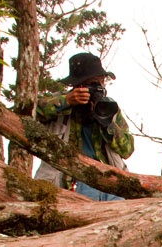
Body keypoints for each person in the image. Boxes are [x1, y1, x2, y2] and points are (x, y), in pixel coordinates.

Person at [34, 52, 134, 202]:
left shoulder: (109, 108)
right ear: (78, 86)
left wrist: (107, 123)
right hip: (72, 184)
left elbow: (127, 149)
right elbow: (33, 111)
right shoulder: (61, 105)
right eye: (92, 84)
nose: (98, 88)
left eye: (100, 83)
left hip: (111, 183)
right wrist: (67, 101)